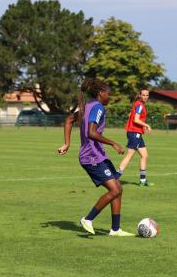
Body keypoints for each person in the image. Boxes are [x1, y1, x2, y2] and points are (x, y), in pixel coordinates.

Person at [58, 78, 134, 237]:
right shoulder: (98, 107)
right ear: (101, 93)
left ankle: (115, 229)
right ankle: (88, 219)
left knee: (118, 188)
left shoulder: (86, 106)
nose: (110, 97)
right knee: (114, 190)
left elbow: (69, 120)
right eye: (108, 94)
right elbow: (91, 133)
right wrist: (114, 143)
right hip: (92, 157)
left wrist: (67, 144)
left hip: (98, 155)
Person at [117, 89, 154, 186]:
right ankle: (115, 178)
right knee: (129, 155)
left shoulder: (137, 104)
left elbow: (131, 115)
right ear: (140, 95)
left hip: (136, 133)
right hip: (134, 133)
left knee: (144, 155)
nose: (145, 97)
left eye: (147, 95)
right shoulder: (140, 105)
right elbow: (136, 119)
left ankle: (142, 181)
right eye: (143, 95)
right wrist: (146, 125)